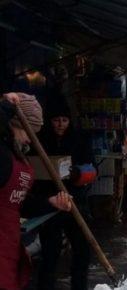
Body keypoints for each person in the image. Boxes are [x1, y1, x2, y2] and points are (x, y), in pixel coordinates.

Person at [0, 92, 71, 290]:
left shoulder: (15, 157)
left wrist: (50, 203)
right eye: (28, 132)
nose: (30, 141)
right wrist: (5, 108)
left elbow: (17, 203)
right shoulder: (2, 156)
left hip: (8, 247)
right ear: (13, 125)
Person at [23, 102, 94, 290]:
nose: (60, 124)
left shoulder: (79, 140)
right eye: (56, 120)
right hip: (51, 204)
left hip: (74, 202)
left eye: (64, 120)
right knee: (50, 253)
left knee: (82, 250)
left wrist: (77, 174)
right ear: (49, 121)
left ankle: (79, 286)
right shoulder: (39, 142)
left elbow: (92, 169)